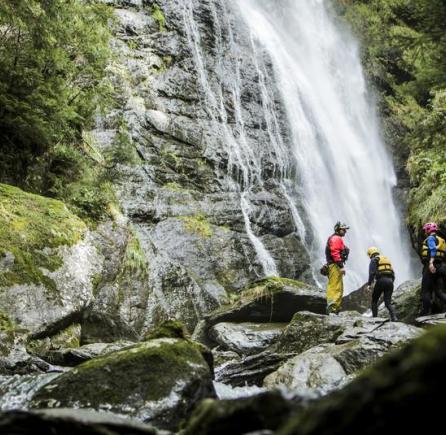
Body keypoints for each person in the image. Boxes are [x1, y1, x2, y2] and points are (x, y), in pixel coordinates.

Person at [420, 222, 446, 316]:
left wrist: (431, 263)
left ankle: (426, 313)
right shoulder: (441, 240)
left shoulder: (431, 238)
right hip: (440, 266)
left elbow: (433, 250)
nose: (425, 232)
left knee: (425, 291)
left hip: (432, 266)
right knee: (439, 291)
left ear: (428, 230)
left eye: (425, 230)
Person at [366, 247, 397, 321]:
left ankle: (375, 318)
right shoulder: (386, 259)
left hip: (381, 281)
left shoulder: (374, 260)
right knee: (388, 302)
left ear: (371, 254)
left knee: (374, 300)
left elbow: (372, 273)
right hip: (390, 282)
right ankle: (394, 317)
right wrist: (391, 282)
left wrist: (369, 284)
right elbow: (393, 273)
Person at [325, 221, 350, 314]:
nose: (345, 232)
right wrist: (341, 266)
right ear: (338, 230)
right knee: (335, 286)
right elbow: (335, 253)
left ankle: (336, 308)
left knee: (339, 287)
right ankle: (332, 308)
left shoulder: (336, 238)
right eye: (343, 230)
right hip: (335, 265)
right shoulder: (336, 238)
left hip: (335, 265)